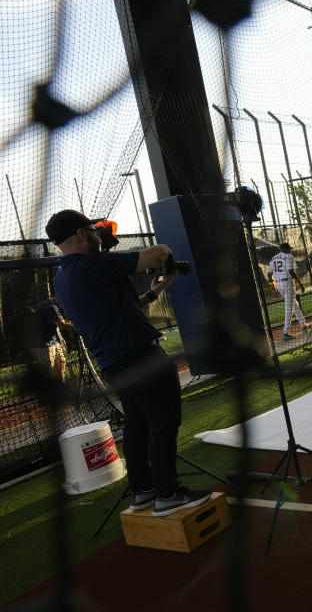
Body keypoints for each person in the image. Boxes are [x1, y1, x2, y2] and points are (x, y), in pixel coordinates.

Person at [46, 209, 211, 517]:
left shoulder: (63, 278)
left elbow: (128, 306)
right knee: (163, 421)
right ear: (81, 235)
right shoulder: (91, 263)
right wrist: (166, 255)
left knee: (138, 423)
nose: (98, 236)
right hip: (139, 356)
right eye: (93, 231)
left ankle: (144, 490)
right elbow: (157, 253)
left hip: (115, 363)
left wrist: (162, 284)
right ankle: (168, 494)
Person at [267, 242, 312, 341]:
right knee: (289, 307)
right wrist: (300, 284)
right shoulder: (289, 256)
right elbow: (291, 272)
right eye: (289, 249)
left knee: (294, 304)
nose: (290, 250)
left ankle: (304, 325)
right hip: (288, 284)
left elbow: (269, 275)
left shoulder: (273, 258)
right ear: (285, 249)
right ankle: (285, 332)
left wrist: (273, 289)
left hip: (278, 285)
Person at [30, 297, 72, 383]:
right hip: (43, 345)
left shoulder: (50, 304)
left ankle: (62, 388)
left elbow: (59, 325)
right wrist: (75, 324)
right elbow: (61, 324)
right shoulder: (51, 307)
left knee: (62, 362)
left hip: (53, 341)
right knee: (50, 371)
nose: (63, 306)